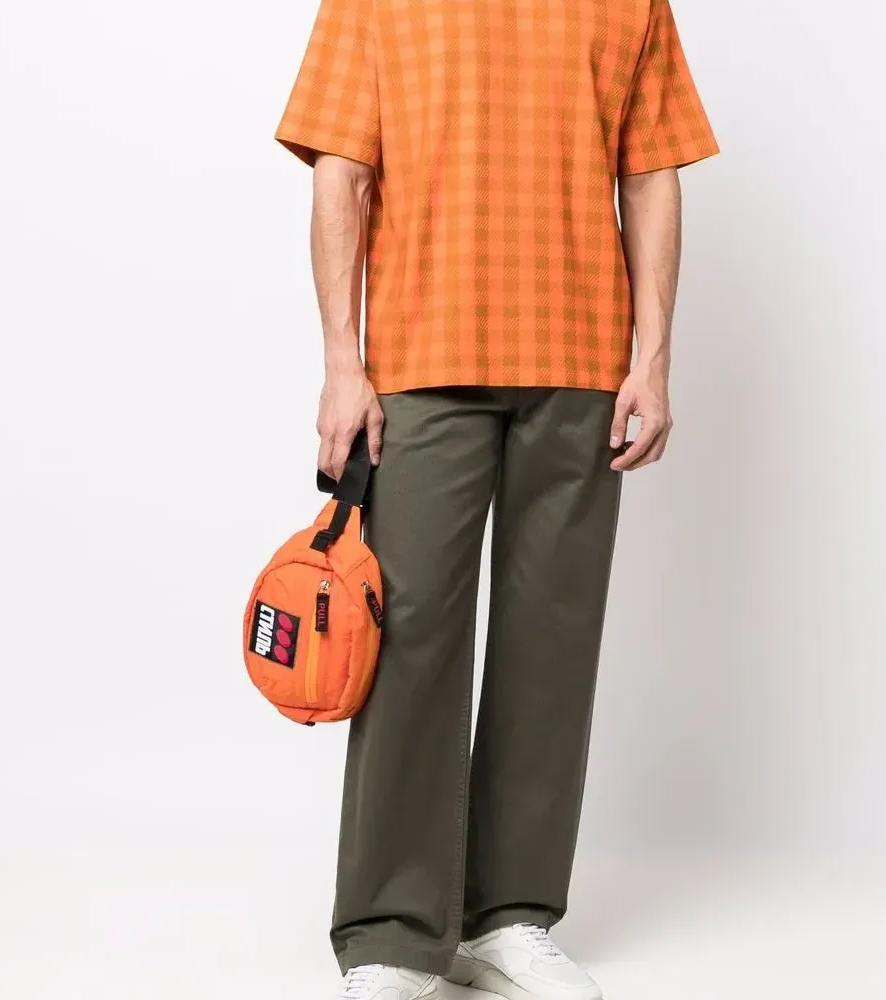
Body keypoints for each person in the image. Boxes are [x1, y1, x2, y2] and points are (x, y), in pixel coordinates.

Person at [274, 0, 717, 996]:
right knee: (409, 638)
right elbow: (340, 172)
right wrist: (343, 365)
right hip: (422, 357)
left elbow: (651, 171)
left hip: (583, 361)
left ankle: (508, 915)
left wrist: (652, 360)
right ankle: (391, 934)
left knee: (551, 643)